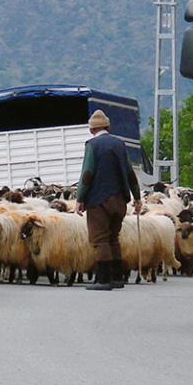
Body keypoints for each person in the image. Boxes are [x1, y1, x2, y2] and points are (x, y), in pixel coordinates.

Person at [75, 110, 141, 292]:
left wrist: (80, 198)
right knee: (114, 238)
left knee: (100, 239)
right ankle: (117, 278)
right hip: (119, 200)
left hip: (99, 200)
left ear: (91, 130)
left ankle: (103, 279)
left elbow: (87, 173)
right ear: (108, 127)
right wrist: (137, 197)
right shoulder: (119, 144)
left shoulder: (92, 145)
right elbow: (129, 172)